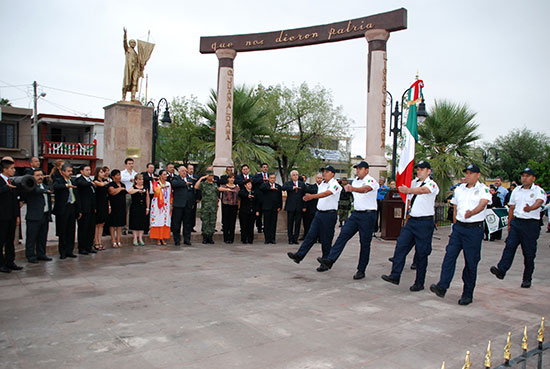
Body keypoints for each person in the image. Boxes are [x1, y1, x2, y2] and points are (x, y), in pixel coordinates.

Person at [430, 164, 491, 306]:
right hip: (459, 228)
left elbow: (483, 204)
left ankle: (467, 294)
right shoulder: (459, 189)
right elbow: (455, 206)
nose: (467, 175)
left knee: (471, 262)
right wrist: (455, 223)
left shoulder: (483, 189)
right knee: (449, 256)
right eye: (467, 173)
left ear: (478, 175)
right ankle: (442, 286)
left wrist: (472, 213)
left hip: (474, 229)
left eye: (471, 173)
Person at [381, 161, 439, 290]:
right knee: (401, 246)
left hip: (424, 222)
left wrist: (409, 190)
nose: (419, 171)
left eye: (422, 169)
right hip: (412, 220)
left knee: (421, 253)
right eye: (418, 169)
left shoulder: (432, 184)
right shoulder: (413, 182)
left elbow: (423, 190)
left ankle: (419, 283)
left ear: (428, 171)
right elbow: (408, 197)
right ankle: (395, 275)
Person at [317, 161, 379, 278]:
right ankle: (330, 260)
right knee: (343, 235)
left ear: (366, 170)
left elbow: (366, 189)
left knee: (364, 243)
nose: (358, 171)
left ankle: (361, 270)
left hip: (368, 215)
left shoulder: (371, 180)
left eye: (360, 169)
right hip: (356, 214)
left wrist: (352, 189)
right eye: (357, 169)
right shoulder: (355, 181)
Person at [490, 168, 546, 288]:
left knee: (529, 253)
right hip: (517, 223)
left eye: (528, 176)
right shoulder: (516, 191)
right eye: (523, 176)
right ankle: (501, 269)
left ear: (533, 178)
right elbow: (511, 208)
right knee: (509, 246)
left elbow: (539, 202)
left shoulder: (538, 191)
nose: (524, 178)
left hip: (530, 224)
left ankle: (527, 278)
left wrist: (530, 208)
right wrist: (509, 224)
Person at [287, 166, 342, 270]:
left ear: (333, 174)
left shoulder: (335, 185)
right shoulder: (322, 184)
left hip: (329, 215)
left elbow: (326, 194)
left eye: (326, 171)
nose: (324, 173)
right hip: (319, 214)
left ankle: (325, 262)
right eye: (323, 171)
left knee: (326, 240)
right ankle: (299, 255)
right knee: (310, 236)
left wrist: (311, 197)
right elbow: (316, 192)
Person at [22, 168, 53, 263]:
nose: (40, 177)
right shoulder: (30, 187)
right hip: (34, 216)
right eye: (37, 175)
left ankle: (41, 254)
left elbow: (51, 189)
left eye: (41, 175)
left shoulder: (44, 186)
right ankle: (30, 255)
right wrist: (45, 190)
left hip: (45, 215)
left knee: (43, 237)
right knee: (32, 238)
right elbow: (36, 191)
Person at [0, 159, 23, 272]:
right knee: (1, 240)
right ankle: (1, 264)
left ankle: (10, 261)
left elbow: (16, 201)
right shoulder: (2, 181)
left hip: (12, 216)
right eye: (12, 168)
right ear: (5, 169)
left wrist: (17, 216)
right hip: (2, 217)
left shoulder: (13, 181)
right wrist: (6, 187)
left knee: (10, 240)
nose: (14, 170)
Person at [53, 163, 78, 259]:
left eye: (71, 171)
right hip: (63, 208)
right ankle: (62, 252)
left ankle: (69, 250)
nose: (70, 173)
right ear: (62, 172)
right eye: (68, 171)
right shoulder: (58, 180)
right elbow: (55, 187)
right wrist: (66, 186)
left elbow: (77, 195)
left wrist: (78, 209)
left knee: (71, 230)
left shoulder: (73, 181)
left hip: (72, 207)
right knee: (62, 231)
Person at [75, 164, 97, 255]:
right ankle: (82, 247)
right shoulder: (79, 180)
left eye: (89, 169)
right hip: (84, 209)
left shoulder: (90, 180)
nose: (89, 171)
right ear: (81, 171)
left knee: (91, 229)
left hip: (91, 208)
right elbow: (82, 184)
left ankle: (89, 246)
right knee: (83, 229)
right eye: (86, 170)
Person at [172, 165, 195, 246]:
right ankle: (177, 240)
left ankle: (187, 239)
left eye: (185, 171)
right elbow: (174, 184)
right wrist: (185, 184)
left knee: (187, 223)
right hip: (178, 205)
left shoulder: (190, 179)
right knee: (176, 223)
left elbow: (193, 192)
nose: (184, 172)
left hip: (187, 205)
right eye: (183, 171)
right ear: (179, 171)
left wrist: (192, 203)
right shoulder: (176, 179)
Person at [282, 170, 306, 244]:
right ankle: (290, 238)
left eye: (296, 175)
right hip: (291, 206)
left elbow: (305, 195)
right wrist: (293, 187)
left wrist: (304, 206)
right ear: (291, 176)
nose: (295, 176)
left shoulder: (302, 184)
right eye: (294, 175)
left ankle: (296, 238)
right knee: (290, 223)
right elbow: (283, 188)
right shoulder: (288, 183)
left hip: (299, 206)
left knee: (298, 223)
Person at [195, 169, 218, 244]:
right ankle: (205, 237)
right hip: (205, 206)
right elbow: (196, 187)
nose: (211, 177)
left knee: (212, 222)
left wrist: (217, 204)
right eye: (209, 175)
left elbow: (216, 194)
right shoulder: (203, 184)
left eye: (212, 175)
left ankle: (210, 237)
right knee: (205, 222)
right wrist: (201, 178)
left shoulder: (215, 184)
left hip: (213, 207)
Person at [150, 169, 171, 245]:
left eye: (166, 175)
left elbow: (170, 195)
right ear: (160, 176)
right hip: (158, 205)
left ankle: (163, 237)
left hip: (166, 205)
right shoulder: (156, 183)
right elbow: (156, 191)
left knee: (165, 221)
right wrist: (162, 187)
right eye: (164, 174)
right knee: (158, 221)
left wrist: (170, 204)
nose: (166, 176)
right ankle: (158, 238)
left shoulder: (168, 184)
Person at [260, 173, 282, 244]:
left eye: (274, 178)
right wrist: (270, 188)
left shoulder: (278, 186)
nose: (272, 179)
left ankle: (273, 238)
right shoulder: (265, 185)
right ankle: (267, 239)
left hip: (275, 208)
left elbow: (280, 197)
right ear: (269, 179)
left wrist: (279, 206)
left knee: (273, 223)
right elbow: (261, 188)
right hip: (267, 207)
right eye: (271, 178)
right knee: (266, 223)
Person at [107, 169, 127, 248]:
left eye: (119, 175)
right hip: (113, 206)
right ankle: (113, 240)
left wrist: (122, 188)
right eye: (117, 175)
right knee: (113, 224)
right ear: (113, 176)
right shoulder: (111, 184)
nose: (119, 177)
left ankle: (118, 240)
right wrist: (120, 189)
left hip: (121, 206)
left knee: (120, 224)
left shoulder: (123, 184)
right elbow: (112, 192)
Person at [128, 174, 150, 246]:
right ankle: (135, 238)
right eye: (140, 179)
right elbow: (129, 191)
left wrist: (147, 207)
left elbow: (147, 198)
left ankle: (140, 238)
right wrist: (137, 190)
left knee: (142, 222)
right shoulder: (133, 187)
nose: (141, 181)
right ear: (136, 181)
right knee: (135, 222)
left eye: (142, 179)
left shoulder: (145, 188)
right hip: (135, 206)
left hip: (142, 206)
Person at [219, 173, 240, 243]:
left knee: (232, 222)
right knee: (225, 222)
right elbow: (219, 189)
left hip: (234, 205)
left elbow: (239, 197)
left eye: (233, 178)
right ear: (228, 179)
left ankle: (231, 238)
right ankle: (226, 237)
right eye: (230, 178)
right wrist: (227, 189)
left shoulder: (237, 187)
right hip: (226, 205)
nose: (232, 179)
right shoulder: (224, 186)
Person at [302, 173, 322, 240]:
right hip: (312, 208)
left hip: (321, 209)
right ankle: (308, 237)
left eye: (321, 178)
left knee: (320, 225)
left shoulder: (325, 187)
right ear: (316, 179)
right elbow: (307, 195)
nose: (319, 179)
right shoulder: (311, 187)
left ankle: (319, 238)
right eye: (318, 178)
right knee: (309, 224)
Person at [93, 167, 109, 250]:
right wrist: (106, 182)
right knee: (97, 224)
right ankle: (96, 242)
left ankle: (100, 241)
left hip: (104, 203)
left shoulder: (104, 181)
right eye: (101, 172)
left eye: (103, 172)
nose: (103, 174)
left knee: (102, 223)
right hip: (98, 203)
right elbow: (101, 185)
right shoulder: (95, 181)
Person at [238, 179, 258, 244]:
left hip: (252, 211)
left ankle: (250, 239)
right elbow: (240, 194)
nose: (250, 186)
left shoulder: (254, 192)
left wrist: (257, 210)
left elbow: (257, 202)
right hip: (244, 211)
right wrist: (247, 195)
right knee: (244, 226)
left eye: (251, 184)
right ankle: (244, 239)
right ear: (245, 185)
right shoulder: (243, 191)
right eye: (248, 184)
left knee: (251, 225)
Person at [121, 158, 137, 235]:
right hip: (126, 193)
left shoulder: (135, 173)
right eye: (129, 164)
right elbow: (121, 179)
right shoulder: (122, 173)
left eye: (132, 163)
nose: (131, 165)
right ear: (126, 164)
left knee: (132, 211)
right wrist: (130, 179)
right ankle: (124, 227)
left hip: (134, 193)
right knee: (125, 210)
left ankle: (131, 227)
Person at [253, 163, 270, 233]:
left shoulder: (270, 175)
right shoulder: (258, 176)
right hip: (259, 197)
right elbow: (254, 182)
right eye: (264, 167)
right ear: (261, 168)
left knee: (266, 213)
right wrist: (262, 179)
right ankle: (259, 227)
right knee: (259, 213)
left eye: (266, 167)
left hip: (267, 197)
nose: (265, 168)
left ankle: (266, 227)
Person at [186, 163, 199, 232]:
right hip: (187, 197)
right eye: (190, 169)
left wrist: (198, 198)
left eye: (192, 169)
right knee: (187, 213)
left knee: (193, 213)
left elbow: (198, 188)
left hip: (194, 197)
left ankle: (192, 227)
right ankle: (187, 227)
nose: (191, 170)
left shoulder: (196, 177)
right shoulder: (185, 177)